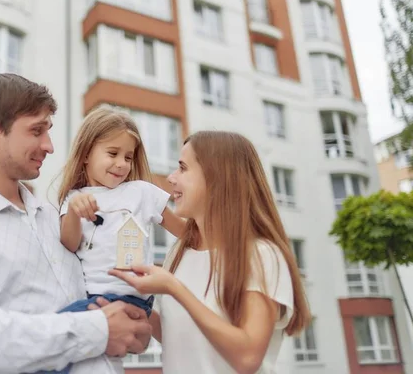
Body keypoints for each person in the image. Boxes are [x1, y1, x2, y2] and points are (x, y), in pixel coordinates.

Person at [0, 74, 152, 374]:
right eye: (36, 131)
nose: (49, 146)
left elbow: (105, 302)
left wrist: (134, 327)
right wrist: (99, 330)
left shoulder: (59, 220)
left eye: (48, 131)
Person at [110, 131, 311, 374]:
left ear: (217, 177)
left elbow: (247, 358)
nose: (171, 179)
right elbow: (177, 336)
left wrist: (174, 288)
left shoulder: (261, 255)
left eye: (183, 168)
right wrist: (126, 300)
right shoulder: (180, 252)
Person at [49, 107, 185, 374]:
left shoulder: (140, 193)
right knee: (63, 352)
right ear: (86, 153)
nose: (122, 164)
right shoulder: (75, 197)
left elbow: (185, 231)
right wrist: (75, 212)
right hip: (97, 300)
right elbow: (69, 243)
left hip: (127, 296)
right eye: (112, 154)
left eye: (128, 157)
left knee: (52, 337)